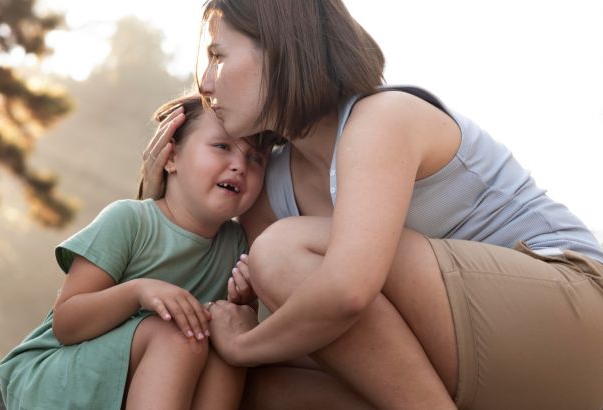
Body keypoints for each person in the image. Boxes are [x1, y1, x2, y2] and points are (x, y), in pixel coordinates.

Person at [138, 1, 603, 409]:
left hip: (575, 313)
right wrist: (166, 198)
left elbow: (346, 291)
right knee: (262, 391)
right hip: (477, 362)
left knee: (281, 255)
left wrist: (245, 345)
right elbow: (305, 329)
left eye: (218, 55)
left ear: (281, 51)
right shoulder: (272, 186)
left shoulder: (383, 118)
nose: (205, 80)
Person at [0, 94, 275, 410]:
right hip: (57, 372)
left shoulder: (238, 245)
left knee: (226, 341)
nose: (240, 165)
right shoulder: (129, 220)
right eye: (222, 146)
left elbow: (239, 328)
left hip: (152, 377)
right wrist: (138, 291)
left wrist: (240, 304)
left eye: (256, 158)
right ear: (170, 158)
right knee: (179, 335)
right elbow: (66, 323)